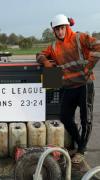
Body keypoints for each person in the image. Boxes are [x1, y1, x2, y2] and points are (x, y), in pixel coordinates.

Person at [37, 14, 100, 164]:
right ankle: (79, 143)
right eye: (57, 29)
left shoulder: (79, 38)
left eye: (62, 28)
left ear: (67, 27)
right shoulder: (53, 47)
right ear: (54, 31)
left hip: (85, 85)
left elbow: (98, 46)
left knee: (86, 119)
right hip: (69, 87)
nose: (60, 32)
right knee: (65, 117)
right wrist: (45, 62)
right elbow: (39, 55)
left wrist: (89, 67)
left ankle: (81, 151)